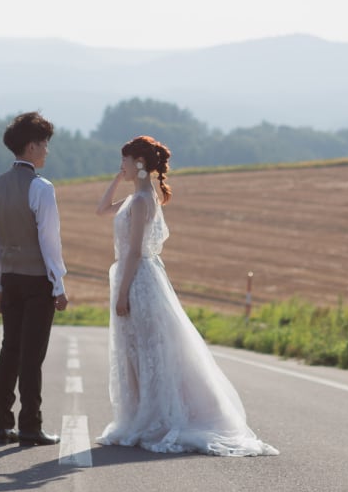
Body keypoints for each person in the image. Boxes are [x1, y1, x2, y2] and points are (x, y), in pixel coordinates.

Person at [94, 135, 278, 457]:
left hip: (137, 281)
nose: (120, 165)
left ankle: (154, 418)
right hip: (135, 278)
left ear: (138, 162)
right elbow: (101, 210)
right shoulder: (136, 196)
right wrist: (118, 177)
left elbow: (135, 251)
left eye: (124, 160)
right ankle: (140, 416)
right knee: (136, 351)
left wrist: (123, 293)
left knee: (150, 351)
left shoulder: (140, 201)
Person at [0, 111, 69, 446]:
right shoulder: (41, 188)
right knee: (32, 357)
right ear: (32, 146)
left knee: (9, 350)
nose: (47, 151)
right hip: (37, 282)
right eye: (45, 144)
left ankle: (3, 424)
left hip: (9, 280)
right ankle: (31, 425)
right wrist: (59, 286)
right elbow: (50, 243)